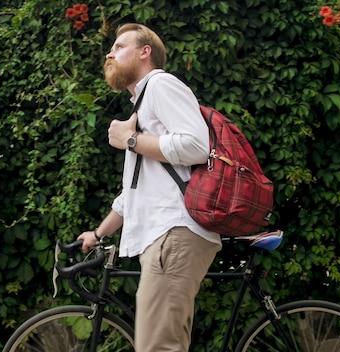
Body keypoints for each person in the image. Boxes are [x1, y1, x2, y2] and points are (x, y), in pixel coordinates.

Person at [77, 23, 222, 351]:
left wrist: (130, 139)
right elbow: (136, 192)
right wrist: (99, 233)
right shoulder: (143, 104)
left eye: (119, 46)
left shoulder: (160, 84)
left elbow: (197, 145)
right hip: (167, 235)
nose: (109, 53)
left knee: (157, 346)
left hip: (174, 232)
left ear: (145, 52)